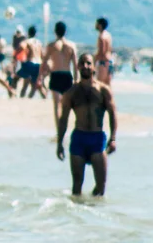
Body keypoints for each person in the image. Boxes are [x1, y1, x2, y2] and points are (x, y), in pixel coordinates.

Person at [56, 54, 117, 196]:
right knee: (76, 187)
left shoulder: (103, 90)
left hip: (97, 139)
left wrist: (113, 138)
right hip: (79, 139)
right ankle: (77, 214)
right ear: (77, 67)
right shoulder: (71, 92)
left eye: (88, 63)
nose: (85, 66)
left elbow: (112, 114)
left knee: (101, 187)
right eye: (82, 63)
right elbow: (63, 119)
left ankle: (92, 212)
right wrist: (59, 142)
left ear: (93, 67)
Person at [41, 21, 78, 130]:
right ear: (65, 32)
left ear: (55, 31)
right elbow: (75, 66)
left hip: (56, 75)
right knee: (67, 105)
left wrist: (42, 77)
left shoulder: (51, 46)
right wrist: (76, 80)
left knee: (57, 105)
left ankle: (59, 130)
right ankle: (67, 127)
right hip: (67, 75)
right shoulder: (71, 46)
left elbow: (44, 62)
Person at [15, 26, 46, 98]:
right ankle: (44, 97)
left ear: (28, 33)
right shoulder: (39, 42)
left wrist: (16, 56)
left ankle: (19, 96)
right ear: (36, 34)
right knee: (37, 85)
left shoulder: (27, 41)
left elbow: (21, 47)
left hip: (29, 63)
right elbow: (43, 55)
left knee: (16, 78)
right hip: (38, 64)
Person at [94, 17, 113, 86]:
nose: (95, 25)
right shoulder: (108, 35)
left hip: (103, 63)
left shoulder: (101, 37)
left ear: (100, 25)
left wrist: (94, 61)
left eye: (96, 23)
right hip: (109, 62)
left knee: (100, 85)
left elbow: (101, 52)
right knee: (107, 86)